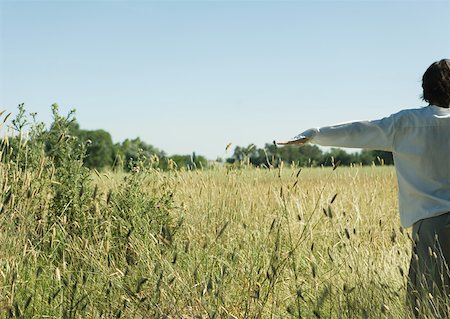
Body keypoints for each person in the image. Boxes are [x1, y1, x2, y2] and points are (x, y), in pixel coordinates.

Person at [278, 59, 450, 318]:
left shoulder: (406, 123)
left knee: (428, 308)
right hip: (431, 227)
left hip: (431, 228)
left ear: (427, 89)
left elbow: (358, 130)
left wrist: (314, 134)